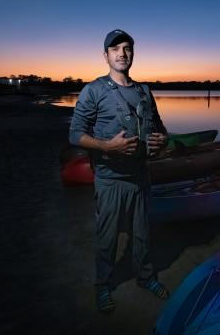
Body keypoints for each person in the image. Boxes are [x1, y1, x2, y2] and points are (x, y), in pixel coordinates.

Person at [69, 29, 169, 313]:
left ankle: (145, 278)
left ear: (133, 54)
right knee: (107, 237)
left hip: (140, 177)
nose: (121, 53)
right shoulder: (94, 90)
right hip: (110, 179)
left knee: (143, 233)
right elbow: (75, 134)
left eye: (126, 48)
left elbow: (160, 129)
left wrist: (163, 140)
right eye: (115, 49)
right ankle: (103, 285)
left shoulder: (144, 91)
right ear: (106, 56)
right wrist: (107, 146)